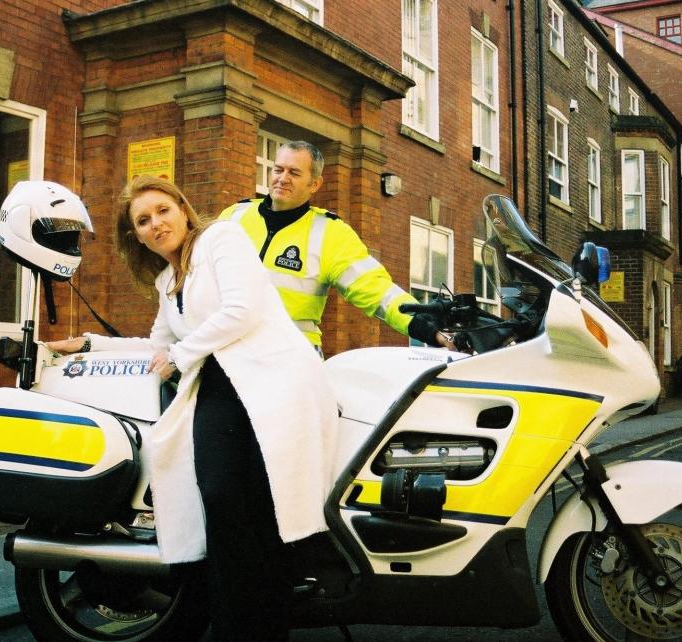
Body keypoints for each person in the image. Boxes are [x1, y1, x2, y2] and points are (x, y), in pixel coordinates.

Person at [50, 175, 338, 640]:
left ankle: (265, 624)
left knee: (261, 508)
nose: (156, 223)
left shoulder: (222, 239)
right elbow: (158, 345)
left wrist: (182, 356)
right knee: (221, 500)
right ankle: (235, 625)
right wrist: (89, 344)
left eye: (163, 210)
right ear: (136, 237)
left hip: (274, 385)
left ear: (183, 209)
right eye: (143, 220)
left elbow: (241, 311)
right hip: (221, 387)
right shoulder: (168, 280)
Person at [219, 140, 449, 351]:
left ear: (315, 184)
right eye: (278, 169)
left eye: (294, 173)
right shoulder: (234, 215)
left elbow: (375, 289)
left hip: (290, 359)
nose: (282, 178)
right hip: (226, 352)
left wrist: (429, 328)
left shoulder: (330, 233)